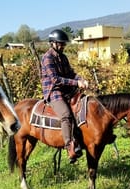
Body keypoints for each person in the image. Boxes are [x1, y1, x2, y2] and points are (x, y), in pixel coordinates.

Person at [40, 29, 90, 163]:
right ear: (52, 43)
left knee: (83, 105)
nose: (62, 46)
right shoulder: (47, 58)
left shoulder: (63, 57)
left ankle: (81, 139)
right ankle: (69, 146)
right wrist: (76, 83)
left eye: (64, 44)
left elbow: (71, 73)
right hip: (54, 91)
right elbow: (55, 79)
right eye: (60, 44)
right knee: (66, 114)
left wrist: (81, 79)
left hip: (66, 89)